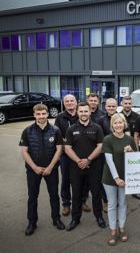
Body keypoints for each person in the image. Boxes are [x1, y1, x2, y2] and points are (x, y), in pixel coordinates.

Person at [20, 104, 65, 235]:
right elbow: (24, 151)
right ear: (34, 115)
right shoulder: (27, 131)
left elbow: (59, 150)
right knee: (32, 197)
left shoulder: (55, 130)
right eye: (38, 114)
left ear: (47, 114)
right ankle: (32, 222)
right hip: (33, 171)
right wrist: (34, 167)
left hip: (51, 170)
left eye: (43, 114)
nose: (41, 116)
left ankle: (56, 219)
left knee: (54, 196)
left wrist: (50, 167)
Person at [64, 102, 106, 231]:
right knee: (76, 194)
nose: (83, 114)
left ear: (90, 112)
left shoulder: (97, 128)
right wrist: (79, 161)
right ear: (77, 112)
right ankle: (75, 219)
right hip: (76, 167)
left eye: (85, 111)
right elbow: (67, 148)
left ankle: (99, 216)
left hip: (94, 167)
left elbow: (100, 146)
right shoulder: (71, 129)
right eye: (81, 111)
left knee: (96, 193)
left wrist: (88, 160)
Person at [102, 113, 136, 245]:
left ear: (124, 124)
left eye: (120, 122)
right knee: (112, 204)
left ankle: (122, 228)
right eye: (115, 123)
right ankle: (113, 230)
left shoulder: (129, 139)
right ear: (112, 125)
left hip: (125, 177)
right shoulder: (108, 139)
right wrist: (117, 179)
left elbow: (135, 159)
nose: (118, 125)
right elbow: (109, 161)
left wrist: (131, 153)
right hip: (110, 178)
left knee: (122, 203)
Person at [55, 94, 91, 216]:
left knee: (83, 179)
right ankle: (66, 204)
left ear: (76, 102)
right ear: (64, 103)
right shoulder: (60, 117)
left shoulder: (82, 114)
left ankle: (82, 201)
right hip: (65, 155)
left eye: (72, 101)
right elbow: (57, 136)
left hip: (81, 154)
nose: (69, 103)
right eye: (67, 101)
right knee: (65, 180)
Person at [120, 96, 140, 200]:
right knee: (121, 169)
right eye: (125, 103)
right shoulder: (118, 115)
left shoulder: (137, 116)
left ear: (131, 104)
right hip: (120, 147)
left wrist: (136, 148)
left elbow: (139, 133)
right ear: (122, 104)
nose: (127, 105)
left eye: (129, 103)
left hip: (133, 147)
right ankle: (121, 190)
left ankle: (134, 190)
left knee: (134, 170)